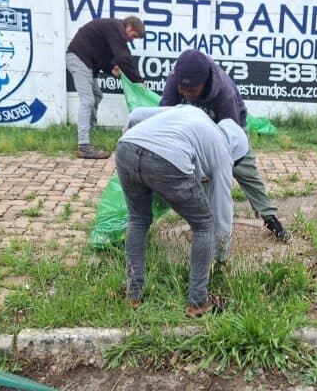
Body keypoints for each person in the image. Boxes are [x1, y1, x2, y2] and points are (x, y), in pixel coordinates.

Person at [116, 106, 248, 318]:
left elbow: (135, 115)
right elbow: (222, 212)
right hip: (167, 160)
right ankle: (197, 302)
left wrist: (134, 150)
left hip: (126, 147)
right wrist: (221, 256)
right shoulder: (223, 153)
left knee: (138, 219)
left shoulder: (192, 112)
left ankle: (134, 295)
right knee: (204, 225)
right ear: (235, 152)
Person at [160, 49, 290, 242]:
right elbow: (165, 119)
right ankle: (206, 226)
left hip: (230, 129)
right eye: (182, 88)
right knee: (203, 182)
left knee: (247, 173)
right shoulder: (176, 79)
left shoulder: (224, 92)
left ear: (204, 83)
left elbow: (232, 142)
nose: (185, 93)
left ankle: (270, 217)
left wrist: (219, 169)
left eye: (191, 90)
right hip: (195, 129)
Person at [66, 16, 145, 159]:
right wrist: (138, 80)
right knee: (88, 100)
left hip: (85, 61)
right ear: (129, 27)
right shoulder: (116, 27)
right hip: (78, 59)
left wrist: (110, 68)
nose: (131, 40)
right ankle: (84, 146)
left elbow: (102, 55)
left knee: (97, 95)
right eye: (133, 36)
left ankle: (87, 132)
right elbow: (123, 57)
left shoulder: (111, 29)